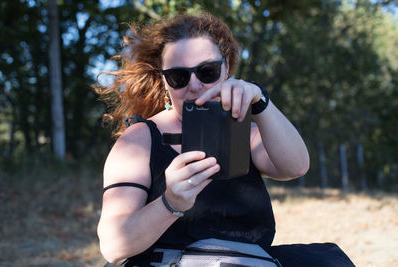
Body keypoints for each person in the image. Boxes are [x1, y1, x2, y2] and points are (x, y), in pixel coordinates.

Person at [95, 12, 354, 266]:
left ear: (226, 69)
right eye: (178, 77)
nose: (194, 85)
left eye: (207, 71)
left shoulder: (250, 133)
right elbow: (113, 247)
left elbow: (296, 167)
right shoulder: (139, 140)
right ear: (165, 82)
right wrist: (170, 203)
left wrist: (260, 101)